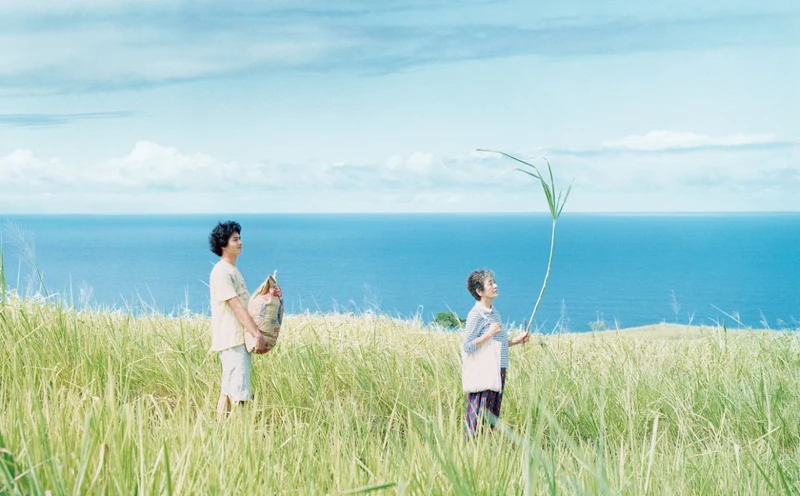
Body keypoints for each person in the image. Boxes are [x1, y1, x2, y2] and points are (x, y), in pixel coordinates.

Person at [208, 221, 268, 420]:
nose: (240, 242)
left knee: (228, 389)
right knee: (239, 392)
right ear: (223, 245)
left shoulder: (233, 271)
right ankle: (240, 436)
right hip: (232, 339)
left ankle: (220, 433)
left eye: (240, 238)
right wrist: (256, 334)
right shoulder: (221, 271)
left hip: (237, 339)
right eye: (235, 239)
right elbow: (236, 306)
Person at [462, 268, 529, 437]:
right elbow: (468, 346)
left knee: (492, 415)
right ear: (479, 291)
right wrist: (489, 333)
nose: (495, 286)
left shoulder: (494, 312)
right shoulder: (476, 315)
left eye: (494, 282)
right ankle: (470, 449)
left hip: (499, 368)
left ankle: (485, 450)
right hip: (485, 370)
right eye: (490, 283)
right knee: (478, 414)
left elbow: (496, 345)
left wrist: (516, 340)